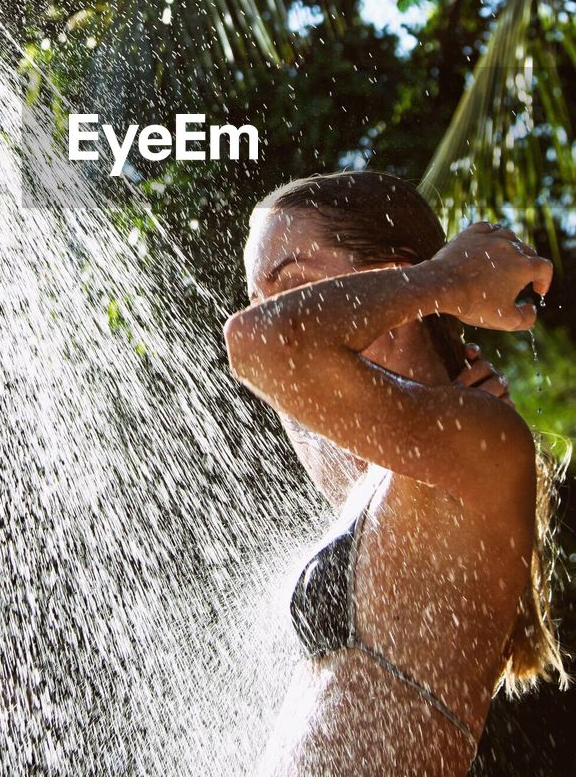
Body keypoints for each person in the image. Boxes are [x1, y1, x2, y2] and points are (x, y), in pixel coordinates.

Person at [223, 170, 568, 776]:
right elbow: (281, 369)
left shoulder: (482, 441)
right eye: (261, 299)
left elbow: (262, 347)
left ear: (395, 277)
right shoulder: (383, 474)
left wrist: (446, 280)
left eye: (293, 287)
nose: (283, 311)